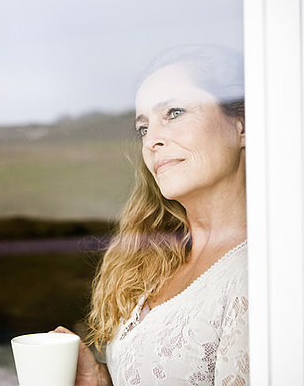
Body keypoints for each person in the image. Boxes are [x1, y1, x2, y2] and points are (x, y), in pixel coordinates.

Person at [54, 45, 249, 385]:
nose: (152, 141)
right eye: (143, 128)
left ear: (241, 125)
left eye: (174, 112)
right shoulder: (158, 259)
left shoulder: (260, 274)